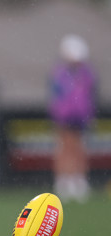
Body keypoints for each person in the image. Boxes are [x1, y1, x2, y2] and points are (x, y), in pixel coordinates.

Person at [49, 34, 97, 202]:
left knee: (79, 149)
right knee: (65, 148)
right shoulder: (60, 74)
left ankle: (78, 181)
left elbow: (90, 95)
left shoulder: (86, 74)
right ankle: (64, 181)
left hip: (81, 117)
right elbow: (57, 97)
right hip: (64, 117)